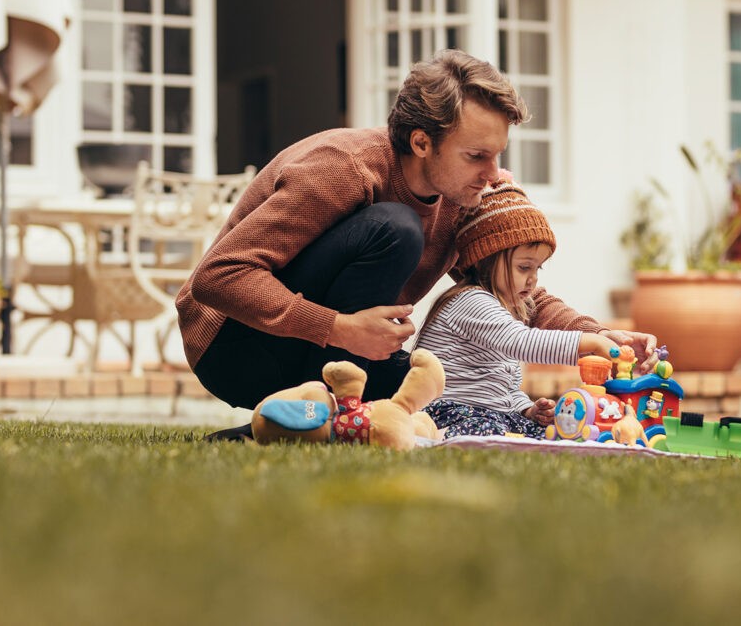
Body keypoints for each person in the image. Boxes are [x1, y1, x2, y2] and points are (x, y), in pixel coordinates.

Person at [177, 49, 657, 421]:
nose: (495, 174)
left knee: (442, 393)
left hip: (334, 350)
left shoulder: (462, 195)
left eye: (497, 155)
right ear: (421, 142)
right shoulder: (343, 168)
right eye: (477, 156)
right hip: (235, 348)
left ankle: (315, 418)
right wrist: (340, 329)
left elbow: (509, 279)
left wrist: (596, 335)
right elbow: (217, 276)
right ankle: (320, 414)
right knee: (396, 228)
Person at [415, 177, 654, 439]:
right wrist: (594, 343)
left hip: (492, 412)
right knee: (485, 433)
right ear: (486, 259)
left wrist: (526, 408)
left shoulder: (509, 307)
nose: (533, 278)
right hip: (451, 409)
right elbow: (524, 342)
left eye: (537, 268)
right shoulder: (472, 301)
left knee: (549, 432)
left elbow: (503, 382)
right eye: (523, 267)